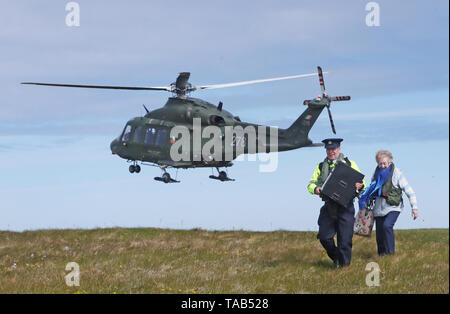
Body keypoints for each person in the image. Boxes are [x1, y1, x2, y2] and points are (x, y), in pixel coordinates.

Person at [307, 138, 365, 268]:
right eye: (328, 149)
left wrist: (359, 186)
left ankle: (344, 268)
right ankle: (337, 258)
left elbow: (362, 184)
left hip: (346, 207)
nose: (331, 151)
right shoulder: (320, 166)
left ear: (339, 149)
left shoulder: (350, 163)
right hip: (329, 207)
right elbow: (310, 184)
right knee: (324, 237)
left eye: (333, 149)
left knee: (345, 240)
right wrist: (315, 189)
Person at [358, 150, 418, 256]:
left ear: (390, 162)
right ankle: (382, 256)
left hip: (393, 207)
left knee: (387, 226)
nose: (382, 166)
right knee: (380, 234)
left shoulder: (397, 173)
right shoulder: (376, 173)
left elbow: (409, 191)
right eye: (380, 163)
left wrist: (414, 208)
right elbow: (371, 189)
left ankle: (390, 254)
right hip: (378, 209)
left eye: (384, 163)